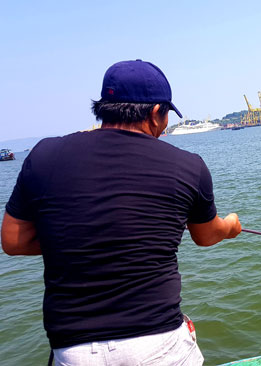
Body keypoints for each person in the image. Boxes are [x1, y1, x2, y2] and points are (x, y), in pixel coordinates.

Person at [1, 59, 241, 366]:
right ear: (156, 113)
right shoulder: (188, 166)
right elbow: (206, 235)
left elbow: (13, 241)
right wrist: (231, 225)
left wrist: (80, 238)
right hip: (158, 345)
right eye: (166, 114)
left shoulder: (44, 154)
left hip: (73, 352)